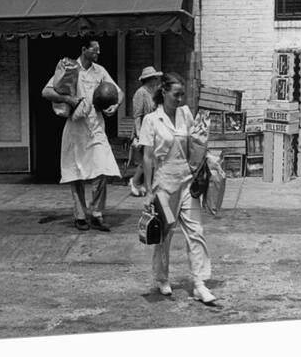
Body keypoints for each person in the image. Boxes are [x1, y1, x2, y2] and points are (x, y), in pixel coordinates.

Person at [139, 72, 216, 303]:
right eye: (176, 94)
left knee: (196, 231)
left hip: (187, 181)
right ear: (163, 92)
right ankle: (162, 278)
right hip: (164, 182)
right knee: (164, 234)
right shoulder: (151, 120)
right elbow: (148, 157)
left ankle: (199, 283)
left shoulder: (185, 113)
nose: (181, 99)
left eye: (183, 94)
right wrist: (149, 190)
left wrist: (206, 161)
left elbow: (195, 142)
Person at [42, 37, 124, 232]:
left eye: (99, 50)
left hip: (96, 127)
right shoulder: (70, 68)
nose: (98, 53)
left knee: (102, 170)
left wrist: (116, 104)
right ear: (84, 50)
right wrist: (68, 99)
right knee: (76, 172)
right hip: (76, 127)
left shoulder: (100, 71)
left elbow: (118, 92)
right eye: (94, 50)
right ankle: (80, 215)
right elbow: (46, 91)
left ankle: (96, 213)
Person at [128, 66, 162, 197]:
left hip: (153, 130)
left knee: (152, 159)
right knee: (145, 161)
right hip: (142, 130)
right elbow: (137, 115)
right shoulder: (140, 93)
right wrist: (138, 135)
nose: (156, 80)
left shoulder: (153, 92)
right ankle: (135, 181)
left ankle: (144, 184)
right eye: (154, 78)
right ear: (149, 79)